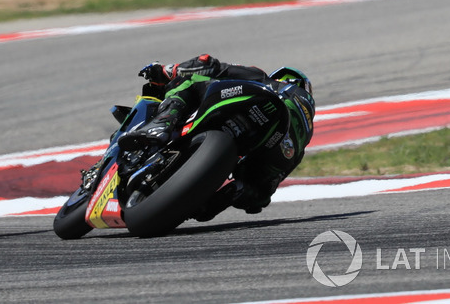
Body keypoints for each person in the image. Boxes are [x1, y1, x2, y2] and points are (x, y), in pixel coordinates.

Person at [118, 53, 314, 217]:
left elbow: (210, 64)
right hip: (272, 146)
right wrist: (247, 194)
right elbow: (261, 198)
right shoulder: (301, 142)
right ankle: (223, 195)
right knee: (254, 188)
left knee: (190, 80)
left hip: (255, 108)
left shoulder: (265, 81)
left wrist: (165, 71)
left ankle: (162, 122)